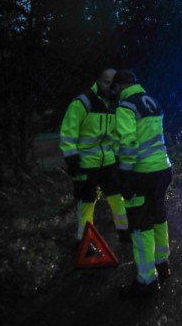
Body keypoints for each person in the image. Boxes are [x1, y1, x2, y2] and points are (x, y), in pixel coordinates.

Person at [112, 70, 172, 299]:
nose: (115, 92)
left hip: (141, 173)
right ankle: (162, 263)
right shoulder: (152, 102)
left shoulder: (126, 106)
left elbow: (127, 143)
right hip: (162, 169)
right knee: (158, 216)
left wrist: (125, 175)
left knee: (139, 225)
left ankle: (146, 280)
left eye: (115, 87)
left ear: (120, 85)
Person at [59, 68, 129, 246]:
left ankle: (124, 233)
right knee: (86, 201)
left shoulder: (113, 105)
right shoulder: (82, 102)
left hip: (108, 161)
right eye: (106, 82)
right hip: (85, 162)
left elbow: (115, 135)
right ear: (98, 80)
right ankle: (84, 240)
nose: (110, 86)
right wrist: (72, 158)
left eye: (113, 83)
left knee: (117, 197)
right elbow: (68, 132)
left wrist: (119, 157)